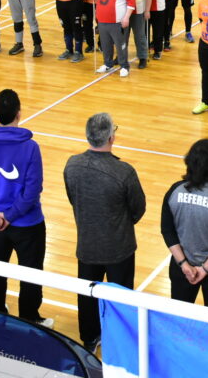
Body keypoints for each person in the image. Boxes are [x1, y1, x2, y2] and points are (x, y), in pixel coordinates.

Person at [0, 89, 52, 327]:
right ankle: (30, 318)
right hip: (27, 224)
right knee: (31, 273)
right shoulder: (30, 147)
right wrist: (10, 215)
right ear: (19, 112)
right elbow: (32, 190)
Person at [64, 113, 146, 352]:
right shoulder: (123, 172)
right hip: (119, 248)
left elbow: (73, 198)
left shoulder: (72, 165)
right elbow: (138, 209)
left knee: (87, 295)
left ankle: (89, 337)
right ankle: (121, 339)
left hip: (87, 244)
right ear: (111, 137)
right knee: (121, 297)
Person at [161, 139, 208, 310]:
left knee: (180, 322)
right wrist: (204, 269)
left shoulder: (174, 191)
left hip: (182, 269)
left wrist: (184, 264)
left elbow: (167, 231)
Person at [94, 0, 135, 77]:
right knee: (106, 45)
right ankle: (108, 64)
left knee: (120, 45)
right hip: (102, 21)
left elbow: (131, 4)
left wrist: (126, 18)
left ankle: (124, 66)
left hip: (117, 23)